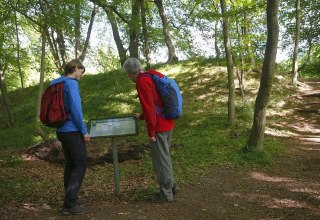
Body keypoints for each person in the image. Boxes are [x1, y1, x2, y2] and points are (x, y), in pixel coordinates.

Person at [123, 57, 178, 202]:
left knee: (160, 160)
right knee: (165, 157)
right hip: (168, 122)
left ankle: (166, 194)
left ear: (129, 73)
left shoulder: (142, 81)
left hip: (159, 126)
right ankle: (172, 186)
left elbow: (150, 107)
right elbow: (156, 102)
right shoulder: (152, 75)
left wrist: (151, 131)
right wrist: (141, 116)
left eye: (127, 75)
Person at [50, 59, 90, 215]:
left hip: (61, 130)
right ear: (74, 69)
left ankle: (69, 200)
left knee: (71, 164)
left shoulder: (56, 82)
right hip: (72, 131)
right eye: (81, 71)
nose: (81, 75)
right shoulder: (71, 84)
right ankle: (70, 203)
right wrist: (84, 131)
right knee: (81, 164)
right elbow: (76, 110)